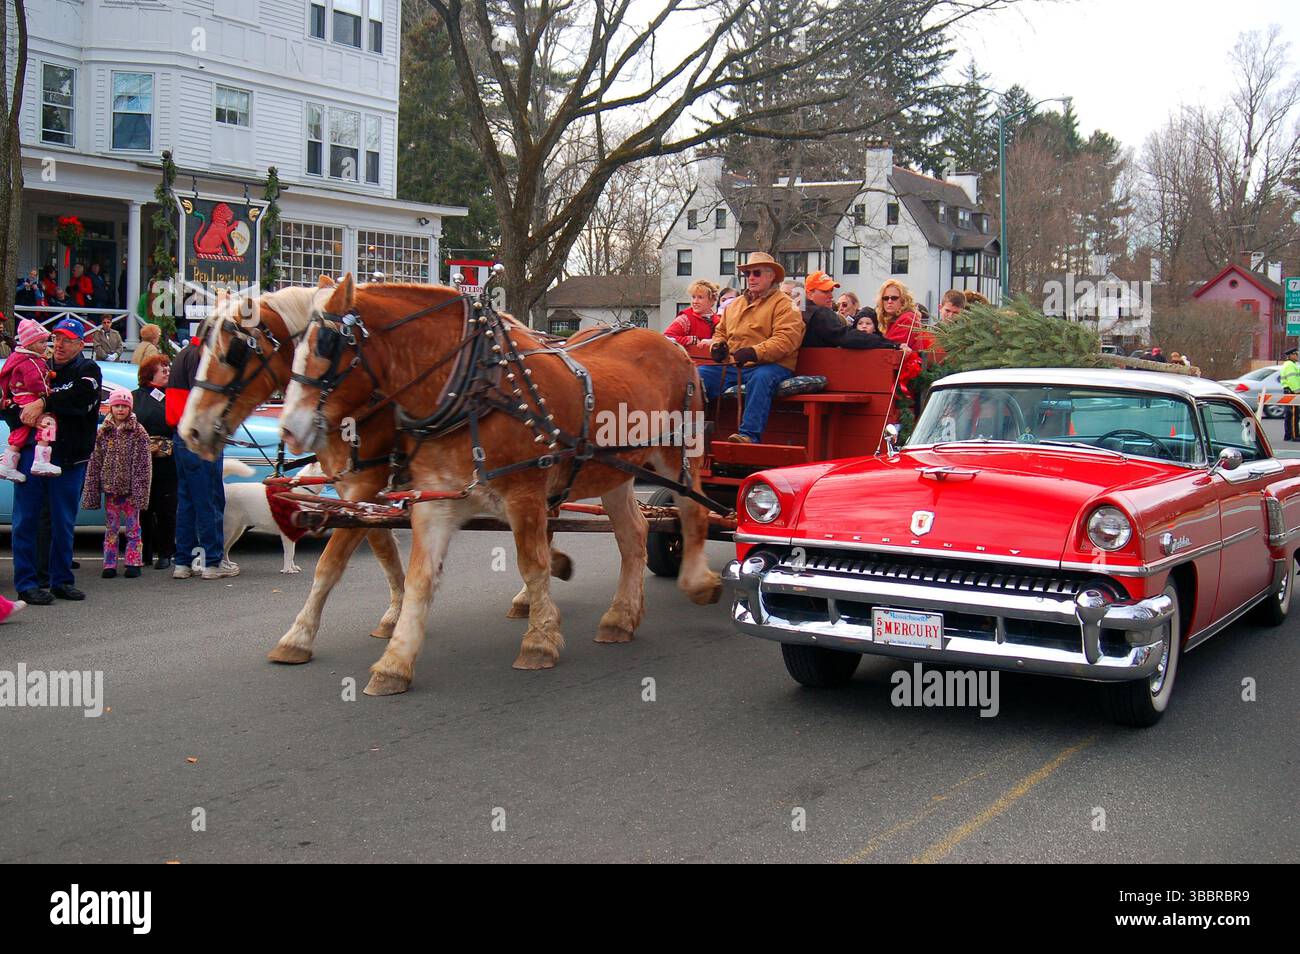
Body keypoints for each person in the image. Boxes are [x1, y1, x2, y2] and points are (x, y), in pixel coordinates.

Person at [9, 317, 101, 605]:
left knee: (63, 522)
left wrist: (44, 404)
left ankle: (61, 580)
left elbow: (79, 400)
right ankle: (27, 583)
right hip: (31, 453)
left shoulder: (88, 370)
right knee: (26, 521)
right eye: (56, 339)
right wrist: (22, 411)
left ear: (80, 343)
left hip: (68, 460)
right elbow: (13, 404)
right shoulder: (37, 364)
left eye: (67, 340)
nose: (59, 345)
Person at [700, 251, 805, 443]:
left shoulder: (785, 305)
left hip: (772, 365)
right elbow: (720, 332)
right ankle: (687, 431)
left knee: (761, 378)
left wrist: (754, 352)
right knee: (697, 377)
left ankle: (748, 435)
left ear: (771, 275)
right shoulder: (734, 305)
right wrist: (717, 347)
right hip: (735, 365)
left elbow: (786, 339)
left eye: (756, 273)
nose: (750, 278)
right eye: (747, 274)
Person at [167, 334, 238, 579]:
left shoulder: (182, 355)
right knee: (209, 499)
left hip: (181, 433)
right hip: (201, 434)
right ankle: (212, 561)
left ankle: (183, 561)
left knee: (187, 501)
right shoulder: (204, 357)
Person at [81, 388, 152, 579]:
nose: (120, 409)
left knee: (133, 527)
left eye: (124, 406)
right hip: (110, 489)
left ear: (130, 408)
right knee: (111, 528)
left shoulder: (138, 432)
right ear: (110, 407)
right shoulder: (103, 431)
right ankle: (109, 563)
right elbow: (95, 460)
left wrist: (140, 490)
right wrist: (93, 487)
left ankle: (133, 561)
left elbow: (143, 464)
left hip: (130, 489)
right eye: (117, 406)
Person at [0, 318, 63, 480]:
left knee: (21, 430)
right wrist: (47, 392)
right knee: (48, 421)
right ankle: (41, 460)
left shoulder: (19, 358)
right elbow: (35, 382)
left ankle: (7, 464)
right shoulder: (32, 361)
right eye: (42, 342)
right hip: (29, 398)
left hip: (18, 398)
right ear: (30, 343)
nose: (45, 345)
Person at [134, 355, 177, 569]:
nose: (167, 371)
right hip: (141, 461)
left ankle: (166, 552)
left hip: (167, 461)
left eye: (168, 368)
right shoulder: (136, 397)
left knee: (166, 507)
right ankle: (144, 551)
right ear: (150, 373)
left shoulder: (174, 396)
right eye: (163, 369)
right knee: (143, 508)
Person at [802, 270, 902, 350]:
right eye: (825, 291)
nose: (831, 296)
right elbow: (846, 336)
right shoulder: (819, 313)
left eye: (831, 291)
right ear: (809, 294)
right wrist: (892, 345)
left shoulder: (799, 312)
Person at [877, 280, 925, 391]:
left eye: (894, 298)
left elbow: (888, 346)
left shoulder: (907, 319)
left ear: (903, 301)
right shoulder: (892, 321)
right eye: (885, 298)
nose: (889, 301)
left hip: (904, 383)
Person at [664, 280, 720, 347]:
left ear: (712, 300)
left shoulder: (719, 320)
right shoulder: (685, 318)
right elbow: (667, 338)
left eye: (700, 297)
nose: (695, 301)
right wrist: (689, 340)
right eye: (693, 297)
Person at [1282, 347, 1300, 442]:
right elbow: (1292, 380)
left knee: (1289, 414)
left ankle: (1288, 435)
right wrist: (1297, 391)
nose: (1297, 356)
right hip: (1293, 391)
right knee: (1294, 414)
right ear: (1291, 355)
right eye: (1295, 354)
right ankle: (1295, 435)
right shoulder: (1290, 366)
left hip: (1289, 391)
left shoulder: (1290, 365)